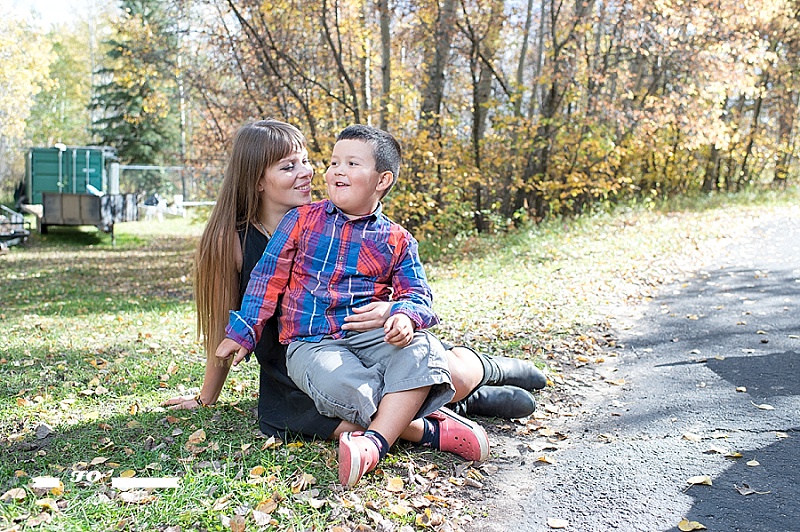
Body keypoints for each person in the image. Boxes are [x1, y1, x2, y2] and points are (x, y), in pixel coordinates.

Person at [162, 119, 546, 444]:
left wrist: (391, 310)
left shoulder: (337, 218)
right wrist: (205, 398)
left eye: (307, 161)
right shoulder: (234, 240)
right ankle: (438, 419)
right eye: (288, 166)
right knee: (332, 419)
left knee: (450, 373)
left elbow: (400, 280)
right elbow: (228, 323)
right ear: (257, 181)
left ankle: (485, 369)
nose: (308, 172)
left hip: (362, 340)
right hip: (297, 359)